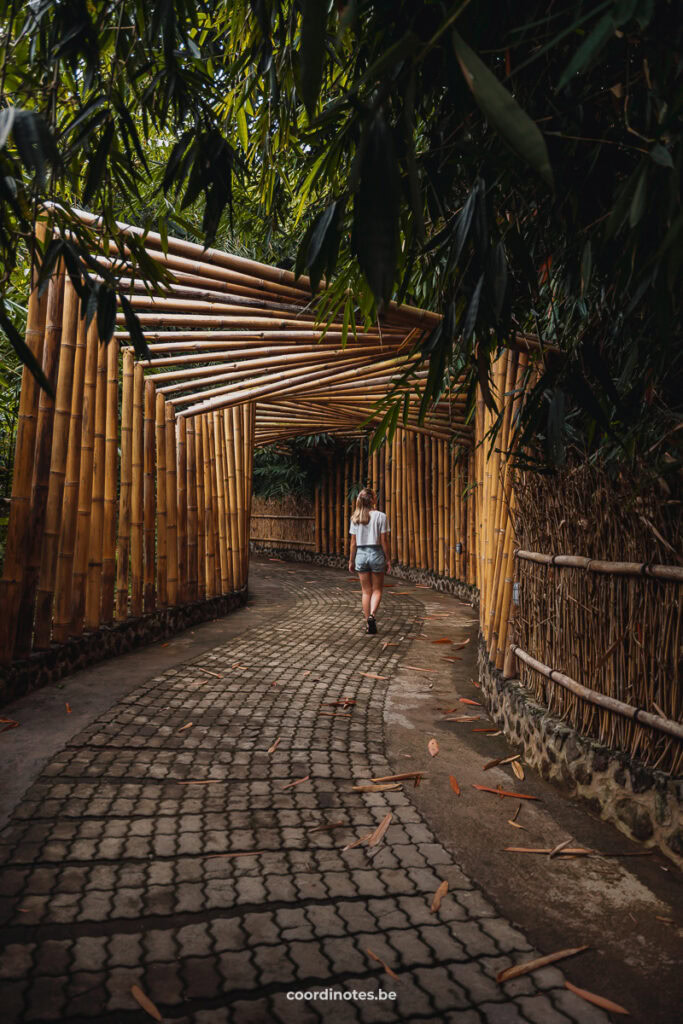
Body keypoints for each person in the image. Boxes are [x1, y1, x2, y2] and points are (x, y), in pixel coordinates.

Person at [348, 488, 391, 634]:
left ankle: (368, 624)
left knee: (366, 591)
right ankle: (372, 615)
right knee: (377, 589)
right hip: (376, 553)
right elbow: (384, 540)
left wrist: (351, 560)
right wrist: (388, 559)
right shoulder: (381, 516)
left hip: (360, 553)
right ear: (373, 500)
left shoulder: (355, 517)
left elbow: (353, 543)